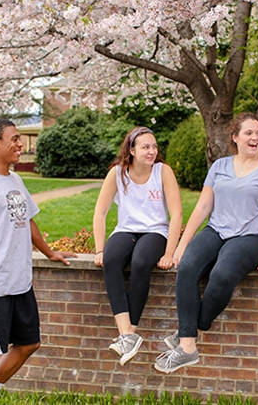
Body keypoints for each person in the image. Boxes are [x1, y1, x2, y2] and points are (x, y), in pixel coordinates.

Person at [0, 118, 77, 405]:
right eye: (15, 139)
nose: (20, 144)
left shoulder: (15, 179)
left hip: (19, 283)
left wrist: (49, 252)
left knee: (29, 343)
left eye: (21, 139)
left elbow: (28, 221)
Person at [155, 113, 258, 373]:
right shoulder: (220, 166)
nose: (255, 138)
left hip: (250, 236)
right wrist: (182, 244)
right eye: (249, 133)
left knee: (223, 274)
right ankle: (189, 347)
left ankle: (187, 333)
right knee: (188, 267)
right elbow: (203, 206)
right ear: (235, 137)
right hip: (216, 229)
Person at [93, 126, 183, 365]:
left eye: (154, 146)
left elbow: (176, 214)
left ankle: (130, 333)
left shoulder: (163, 172)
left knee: (141, 260)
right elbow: (100, 212)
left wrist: (169, 252)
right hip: (126, 229)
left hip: (156, 231)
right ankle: (126, 335)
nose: (152, 151)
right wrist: (100, 249)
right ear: (132, 150)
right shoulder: (117, 173)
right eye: (145, 147)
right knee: (111, 260)